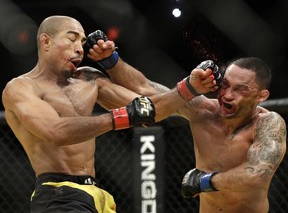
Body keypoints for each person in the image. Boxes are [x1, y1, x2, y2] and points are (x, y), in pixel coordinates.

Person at [1, 16, 216, 213]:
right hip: (58, 196)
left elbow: (148, 110)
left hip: (96, 195)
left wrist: (189, 87)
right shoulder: (21, 88)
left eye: (82, 43)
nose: (79, 49)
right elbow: (55, 131)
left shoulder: (89, 79)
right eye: (72, 39)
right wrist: (120, 117)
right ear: (46, 42)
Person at [90, 36, 287, 213]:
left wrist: (204, 181)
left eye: (240, 90)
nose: (227, 95)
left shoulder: (268, 123)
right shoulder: (202, 110)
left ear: (262, 96)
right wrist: (110, 61)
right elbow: (145, 88)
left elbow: (256, 174)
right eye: (225, 85)